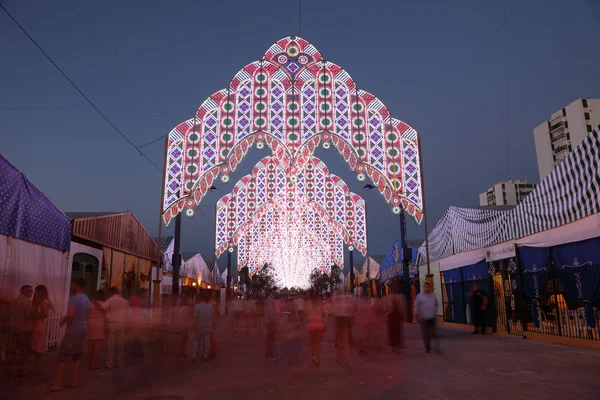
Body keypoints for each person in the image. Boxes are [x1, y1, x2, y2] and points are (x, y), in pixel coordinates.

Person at [46, 278, 90, 392]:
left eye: (72, 284)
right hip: (82, 329)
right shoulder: (86, 298)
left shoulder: (74, 298)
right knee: (77, 355)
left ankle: (59, 383)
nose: (71, 286)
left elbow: (70, 314)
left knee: (63, 355)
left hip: (73, 330)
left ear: (76, 285)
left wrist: (63, 320)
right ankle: (74, 381)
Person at [8, 285, 34, 376]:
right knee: (24, 350)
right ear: (25, 292)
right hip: (24, 329)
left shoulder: (15, 300)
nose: (32, 293)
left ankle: (9, 368)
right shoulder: (27, 302)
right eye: (30, 291)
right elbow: (29, 315)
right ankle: (19, 368)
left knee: (13, 350)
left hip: (14, 328)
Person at [103, 287, 129, 369]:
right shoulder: (125, 301)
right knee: (120, 344)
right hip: (122, 323)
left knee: (111, 344)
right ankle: (120, 363)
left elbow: (103, 308)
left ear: (112, 292)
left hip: (112, 323)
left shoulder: (110, 300)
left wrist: (108, 317)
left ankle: (109, 363)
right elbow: (128, 313)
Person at [30, 285, 51, 373]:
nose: (34, 293)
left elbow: (45, 314)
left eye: (36, 291)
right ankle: (34, 365)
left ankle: (36, 366)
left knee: (38, 346)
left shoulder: (43, 302)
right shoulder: (37, 301)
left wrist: (33, 316)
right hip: (35, 325)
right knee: (34, 345)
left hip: (39, 325)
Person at [415, 282, 440, 353]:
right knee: (425, 333)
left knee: (433, 333)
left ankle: (436, 347)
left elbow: (436, 304)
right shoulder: (420, 296)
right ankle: (427, 346)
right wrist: (417, 315)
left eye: (428, 287)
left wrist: (435, 313)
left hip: (432, 317)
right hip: (423, 318)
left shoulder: (433, 296)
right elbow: (416, 306)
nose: (427, 288)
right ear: (424, 288)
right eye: (425, 287)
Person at [189, 290, 214, 362]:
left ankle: (194, 356)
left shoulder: (198, 306)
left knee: (196, 341)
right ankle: (205, 356)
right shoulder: (210, 306)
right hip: (208, 324)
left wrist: (193, 324)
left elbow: (195, 317)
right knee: (207, 341)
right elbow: (212, 317)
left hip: (199, 324)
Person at [86, 290, 106, 370]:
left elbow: (87, 314)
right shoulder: (104, 304)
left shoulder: (90, 304)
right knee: (97, 346)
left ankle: (89, 363)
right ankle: (94, 364)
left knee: (90, 345)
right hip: (100, 325)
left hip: (90, 324)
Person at [306, 293, 325, 366]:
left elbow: (306, 314)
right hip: (319, 324)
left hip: (311, 324)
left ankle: (313, 356)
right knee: (318, 342)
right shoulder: (320, 304)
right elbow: (323, 314)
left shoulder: (308, 304)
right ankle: (317, 357)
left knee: (312, 342)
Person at [386, 288, 405, 353]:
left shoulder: (395, 297)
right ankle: (395, 346)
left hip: (395, 316)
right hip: (392, 316)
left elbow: (401, 307)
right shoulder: (391, 297)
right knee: (394, 331)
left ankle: (396, 346)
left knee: (396, 331)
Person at [265, 288, 278, 362]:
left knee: (270, 338)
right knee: (270, 338)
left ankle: (269, 354)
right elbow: (270, 311)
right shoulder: (271, 299)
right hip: (270, 321)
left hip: (269, 320)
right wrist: (273, 319)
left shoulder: (269, 299)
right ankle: (269, 355)